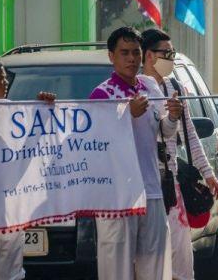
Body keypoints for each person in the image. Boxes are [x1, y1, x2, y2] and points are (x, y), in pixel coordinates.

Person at [89, 27, 181, 280]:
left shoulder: (150, 85)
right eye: (124, 53)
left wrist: (173, 116)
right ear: (111, 57)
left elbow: (164, 131)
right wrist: (127, 116)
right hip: (117, 196)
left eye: (136, 52)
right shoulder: (101, 94)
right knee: (116, 269)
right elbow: (96, 143)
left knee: (156, 266)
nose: (131, 59)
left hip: (151, 189)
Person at [140, 28, 218, 280]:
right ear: (149, 56)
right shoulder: (135, 89)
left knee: (181, 259)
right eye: (166, 53)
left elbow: (190, 135)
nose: (171, 59)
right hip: (143, 186)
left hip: (170, 183)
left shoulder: (174, 86)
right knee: (149, 261)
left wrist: (208, 174)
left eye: (172, 53)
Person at [0, 56, 55, 280]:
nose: (6, 86)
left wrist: (43, 110)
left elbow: (30, 149)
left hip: (9, 216)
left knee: (9, 275)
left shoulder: (11, 115)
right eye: (2, 80)